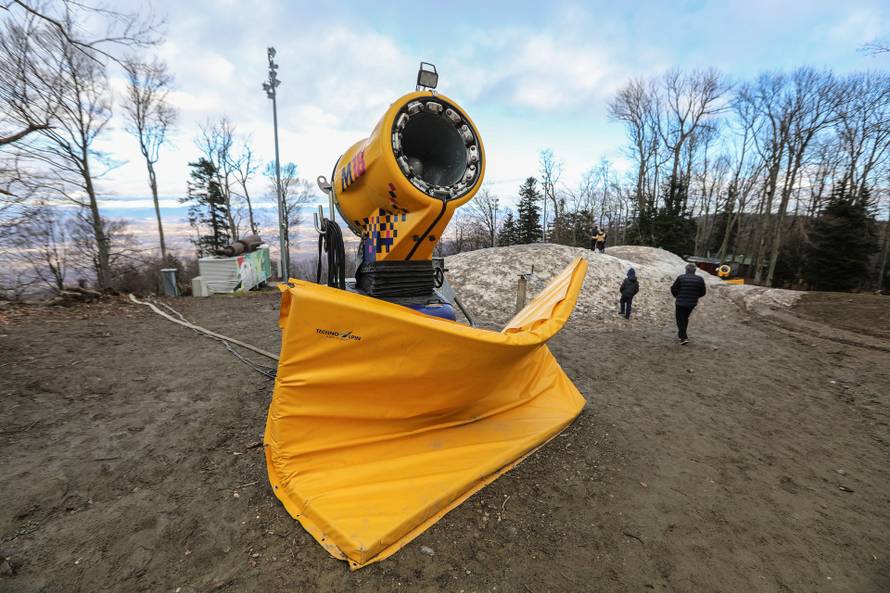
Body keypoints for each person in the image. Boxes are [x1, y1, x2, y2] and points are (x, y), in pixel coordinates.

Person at [670, 262, 706, 345]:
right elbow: (703, 292)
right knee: (685, 318)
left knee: (680, 319)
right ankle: (681, 335)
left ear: (686, 270)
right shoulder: (700, 279)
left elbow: (674, 288)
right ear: (694, 271)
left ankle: (683, 337)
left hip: (680, 302)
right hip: (692, 303)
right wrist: (695, 297)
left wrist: (677, 296)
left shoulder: (681, 278)